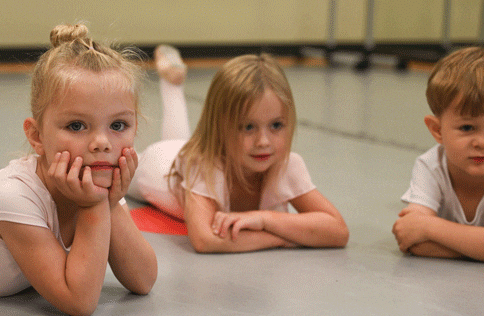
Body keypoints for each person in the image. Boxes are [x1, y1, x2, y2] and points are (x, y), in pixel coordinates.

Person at [0, 24, 157, 316]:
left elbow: (143, 279)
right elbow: (79, 301)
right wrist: (95, 206)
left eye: (118, 125)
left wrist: (107, 203)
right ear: (36, 136)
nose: (102, 143)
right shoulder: (13, 195)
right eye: (76, 126)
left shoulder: (91, 178)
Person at [128, 45, 349, 253]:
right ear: (219, 127)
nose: (263, 141)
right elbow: (205, 239)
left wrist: (264, 220)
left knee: (182, 141)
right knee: (126, 168)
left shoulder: (286, 164)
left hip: (189, 152)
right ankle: (172, 86)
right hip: (158, 166)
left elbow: (338, 231)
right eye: (248, 127)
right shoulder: (203, 165)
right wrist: (282, 238)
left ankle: (172, 83)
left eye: (276, 125)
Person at [392, 46, 484, 265]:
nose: (482, 142)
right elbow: (412, 241)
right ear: (437, 130)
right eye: (468, 127)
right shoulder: (430, 166)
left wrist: (428, 227)